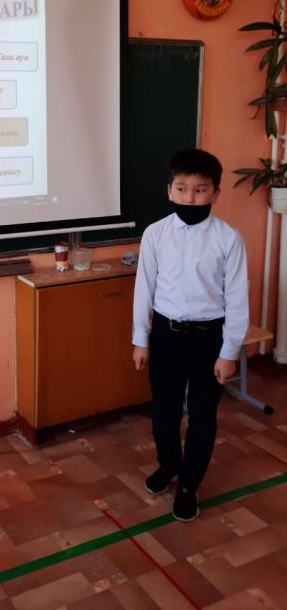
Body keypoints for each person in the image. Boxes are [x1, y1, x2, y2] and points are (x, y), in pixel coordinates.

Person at [132, 148, 249, 522]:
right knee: (164, 413)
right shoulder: (155, 234)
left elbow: (237, 299)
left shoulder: (229, 239)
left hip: (208, 341)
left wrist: (229, 352)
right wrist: (140, 339)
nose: (190, 197)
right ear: (169, 190)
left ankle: (188, 485)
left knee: (202, 416)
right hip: (166, 337)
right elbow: (144, 289)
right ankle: (169, 465)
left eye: (200, 190)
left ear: (216, 193)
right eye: (181, 189)